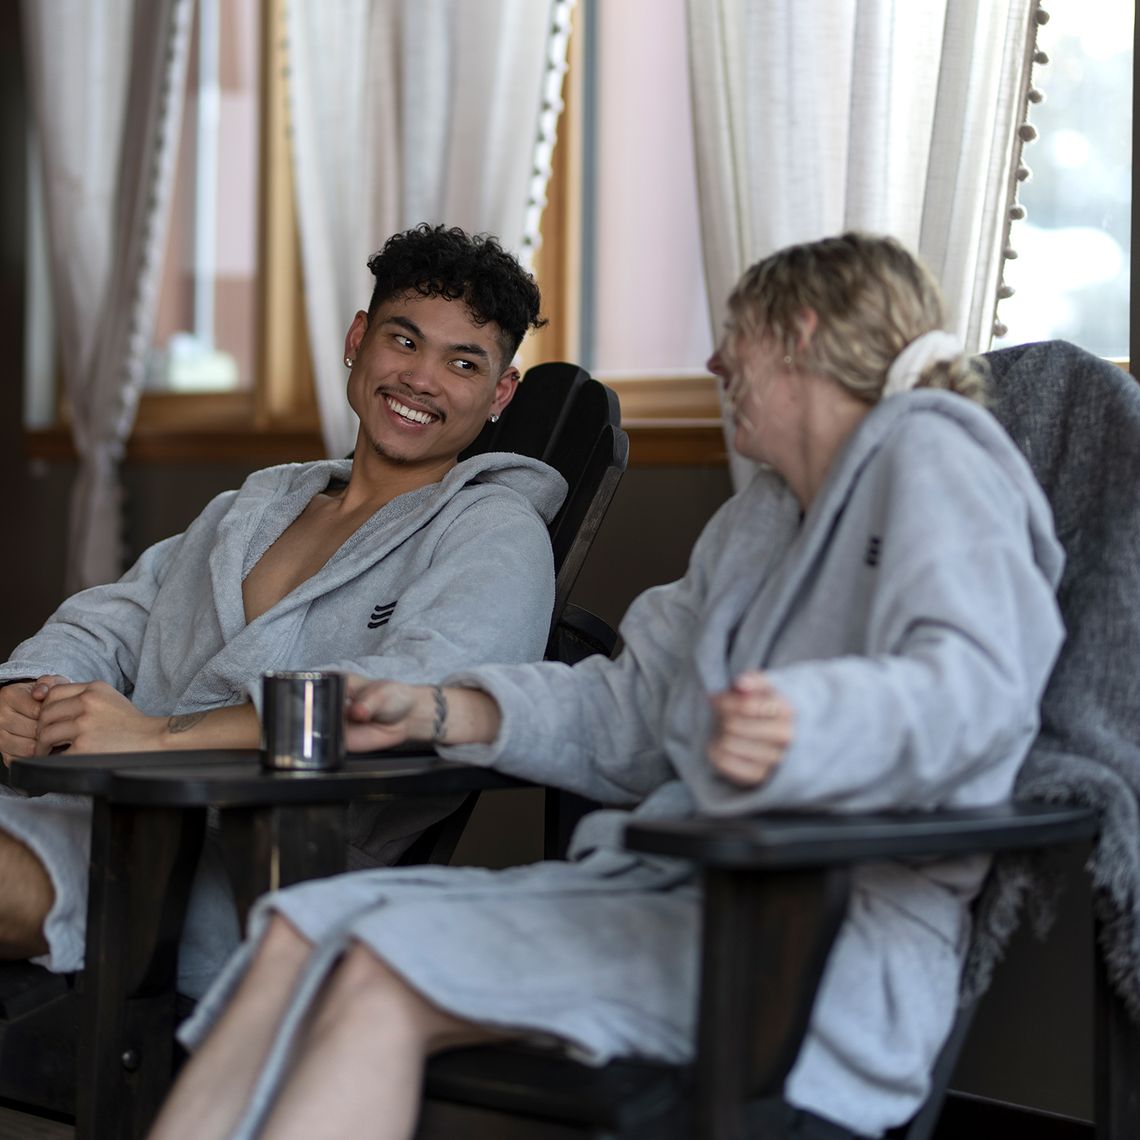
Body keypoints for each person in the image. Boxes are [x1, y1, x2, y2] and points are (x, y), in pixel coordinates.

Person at [150, 232, 1066, 1140]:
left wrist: (807, 723)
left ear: (801, 333)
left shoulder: (939, 458)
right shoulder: (761, 519)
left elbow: (977, 689)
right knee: (298, 930)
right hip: (665, 903)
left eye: (735, 334)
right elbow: (635, 708)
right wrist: (453, 707)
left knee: (377, 970)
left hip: (814, 945)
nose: (713, 360)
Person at [0, 223, 565, 998]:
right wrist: (25, 694)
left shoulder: (494, 534)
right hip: (100, 814)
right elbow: (111, 619)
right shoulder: (254, 505)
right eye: (404, 341)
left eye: (463, 362)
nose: (422, 379)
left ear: (500, 393)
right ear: (358, 340)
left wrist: (157, 738)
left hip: (257, 870)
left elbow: (405, 702)